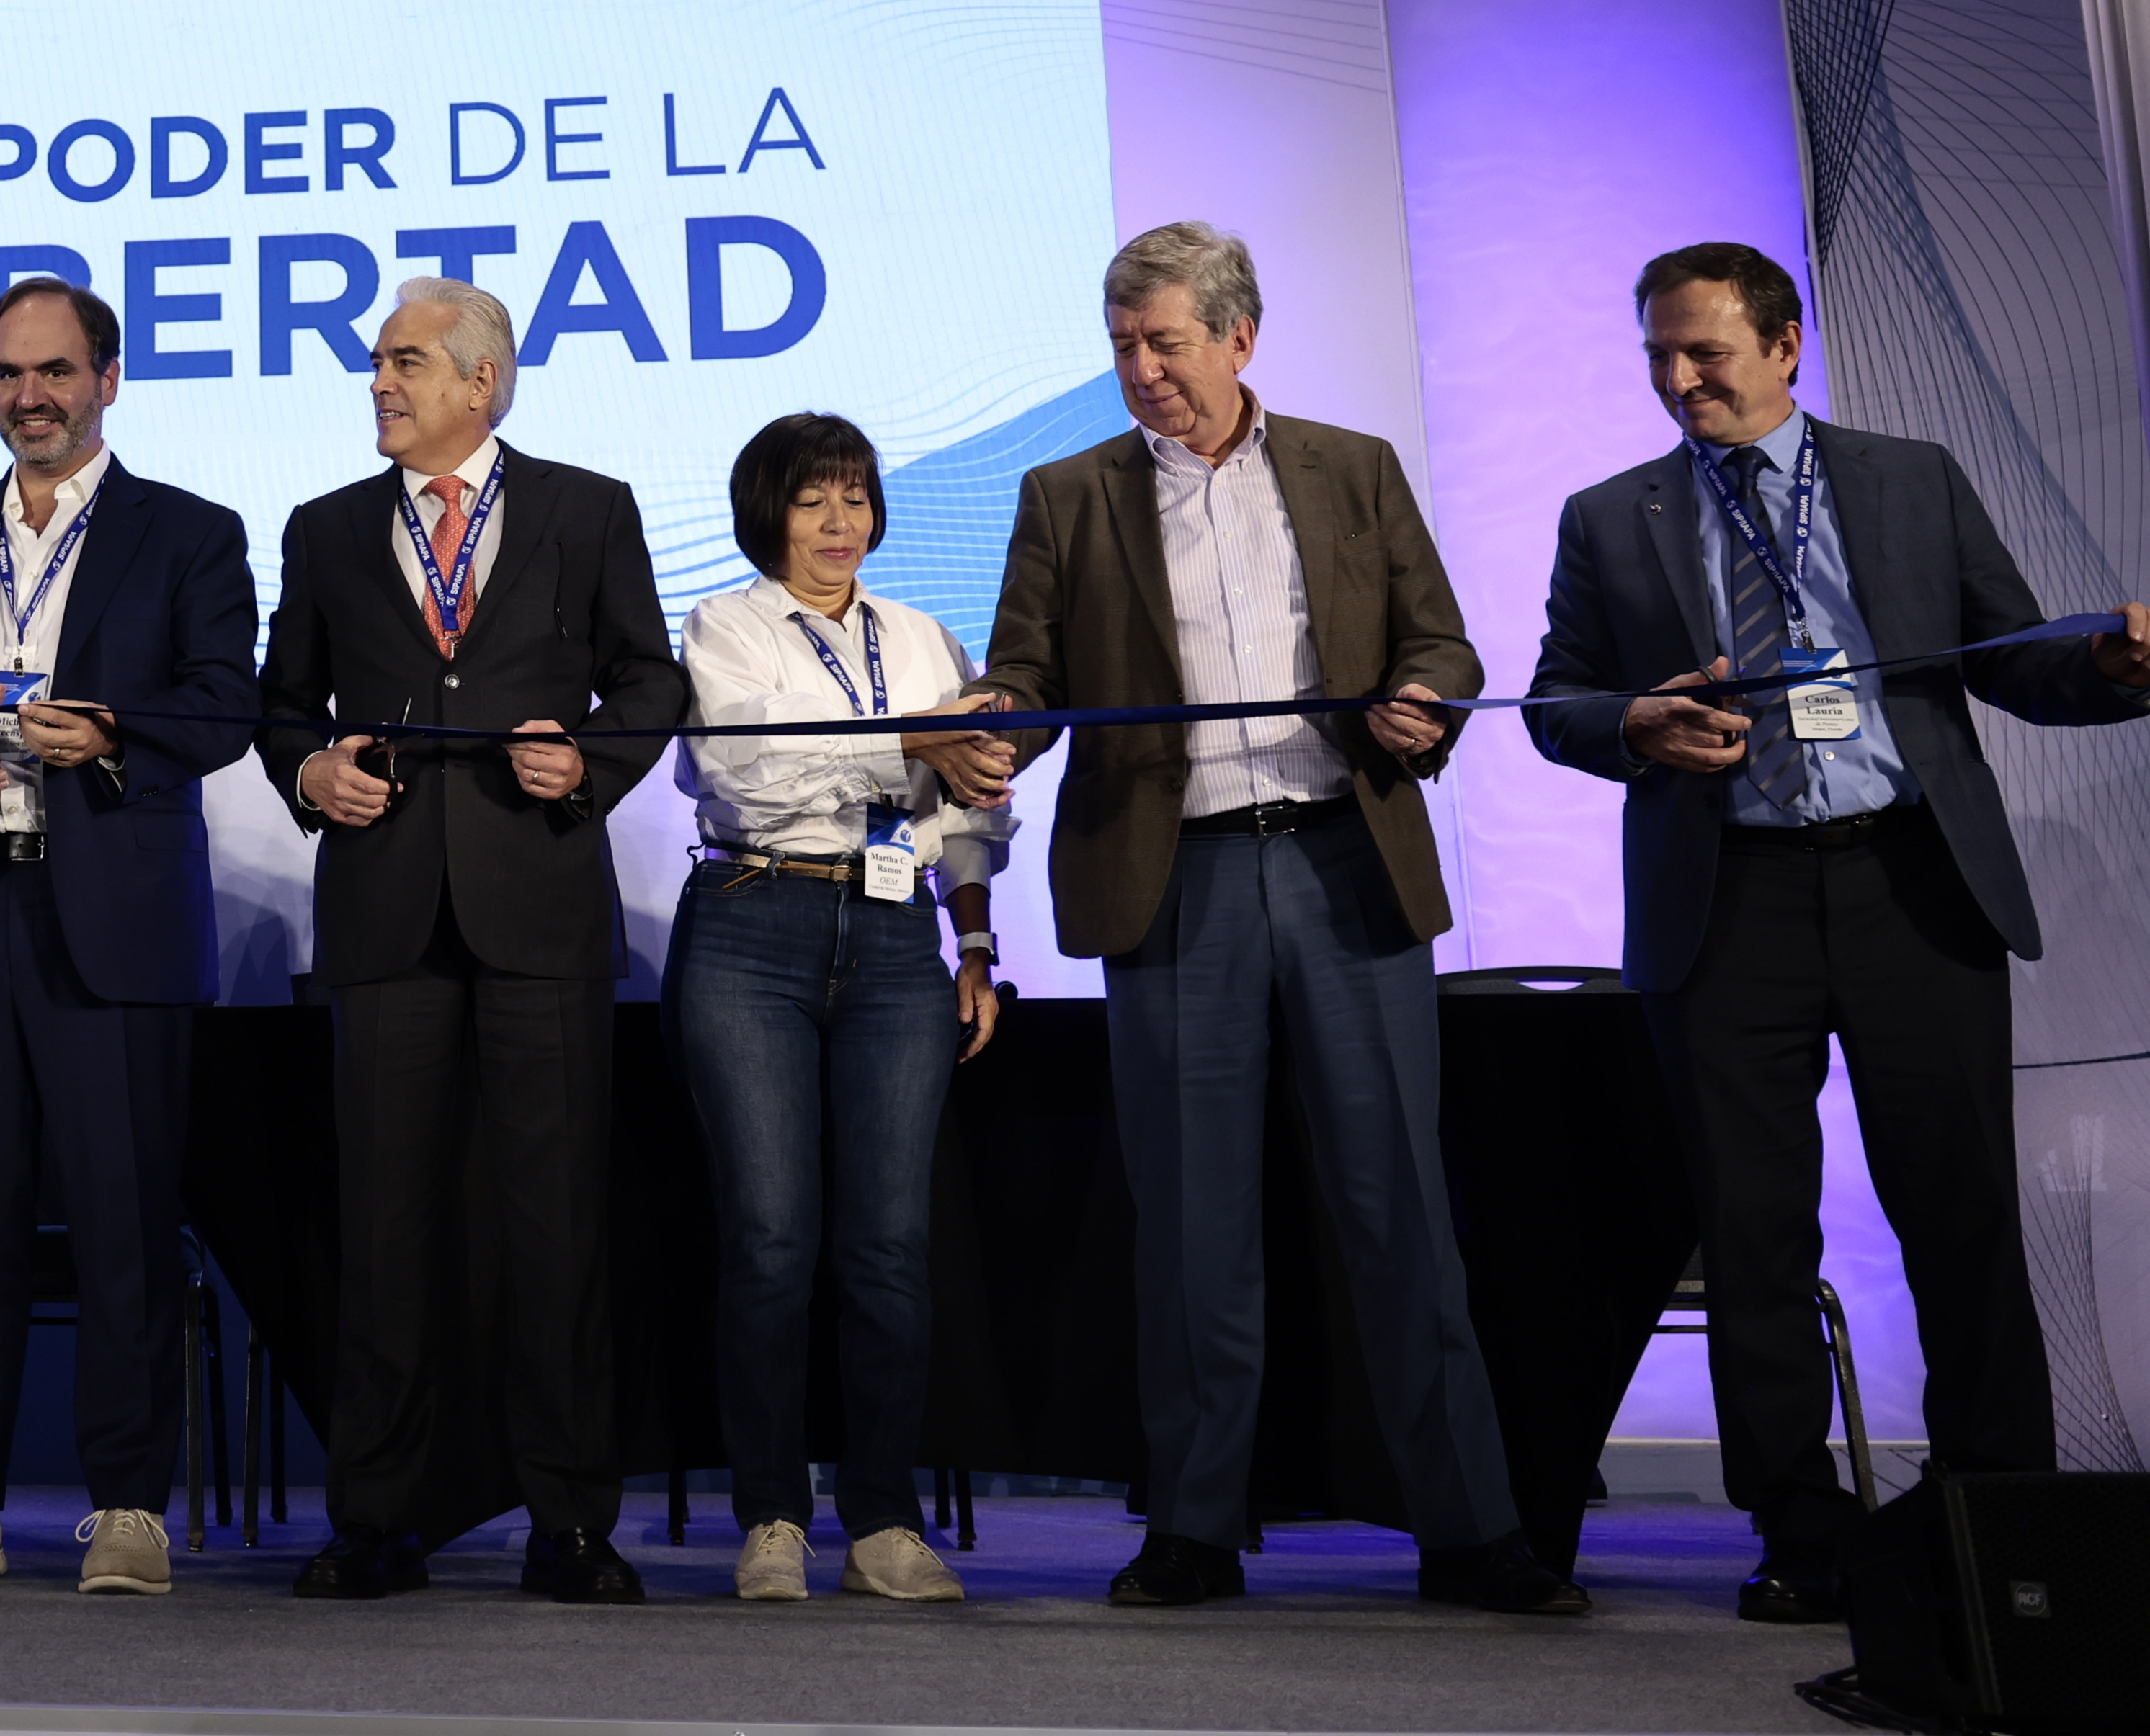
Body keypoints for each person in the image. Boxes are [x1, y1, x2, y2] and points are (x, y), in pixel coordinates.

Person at [1526, 241, 2150, 1624]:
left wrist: (2108, 665)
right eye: (1656, 352)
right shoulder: (1606, 514)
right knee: (1753, 1232)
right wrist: (1630, 722)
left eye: (1703, 350)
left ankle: (1994, 1512)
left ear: (1782, 345)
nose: (1675, 378)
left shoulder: (1905, 477)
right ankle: (1796, 1528)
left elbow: (2004, 654)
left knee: (1957, 1215)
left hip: (1908, 880)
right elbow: (1553, 703)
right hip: (1728, 898)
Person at [938, 223, 1577, 1614]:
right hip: (1174, 879)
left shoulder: (1350, 467)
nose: (1139, 368)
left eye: (1162, 340)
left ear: (1237, 336)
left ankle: (1468, 1524)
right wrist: (990, 724)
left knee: (1395, 1202)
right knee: (1188, 1214)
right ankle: (1192, 1522)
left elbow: (1440, 641)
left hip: (1344, 859)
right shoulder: (1066, 492)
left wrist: (1422, 699)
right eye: (1119, 345)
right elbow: (1024, 668)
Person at [257, 277, 687, 1606]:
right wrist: (307, 772)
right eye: (375, 363)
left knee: (554, 1226)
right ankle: (377, 1516)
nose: (377, 382)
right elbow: (280, 703)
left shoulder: (586, 504)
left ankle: (568, 1521)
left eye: (401, 361)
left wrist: (593, 757)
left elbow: (652, 677)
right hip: (385, 907)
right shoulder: (324, 526)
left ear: (480, 381)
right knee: (382, 1230)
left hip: (539, 901)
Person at [0, 278, 260, 1598]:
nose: (31, 395)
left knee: (127, 1220)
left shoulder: (188, 530)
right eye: (10, 372)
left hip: (112, 917)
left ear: (107, 378)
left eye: (56, 370)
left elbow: (224, 704)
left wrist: (115, 730)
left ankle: (127, 1507)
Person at [669, 411, 1010, 1603]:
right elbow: (744, 767)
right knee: (767, 1238)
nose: (836, 520)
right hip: (750, 924)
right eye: (811, 498)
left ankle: (881, 1519)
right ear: (768, 509)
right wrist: (907, 740)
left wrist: (972, 937)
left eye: (854, 496)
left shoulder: (920, 634)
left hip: (894, 933)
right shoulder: (722, 624)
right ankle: (768, 1512)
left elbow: (966, 803)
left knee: (889, 1245)